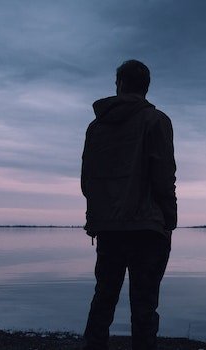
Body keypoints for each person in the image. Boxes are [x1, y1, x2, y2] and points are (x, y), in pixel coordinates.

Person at [81, 59, 177, 350]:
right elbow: (164, 175)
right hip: (147, 227)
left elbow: (88, 180)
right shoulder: (156, 121)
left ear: (119, 84)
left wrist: (97, 216)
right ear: (146, 88)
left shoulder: (96, 127)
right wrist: (169, 218)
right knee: (144, 306)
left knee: (104, 297)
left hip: (109, 226)